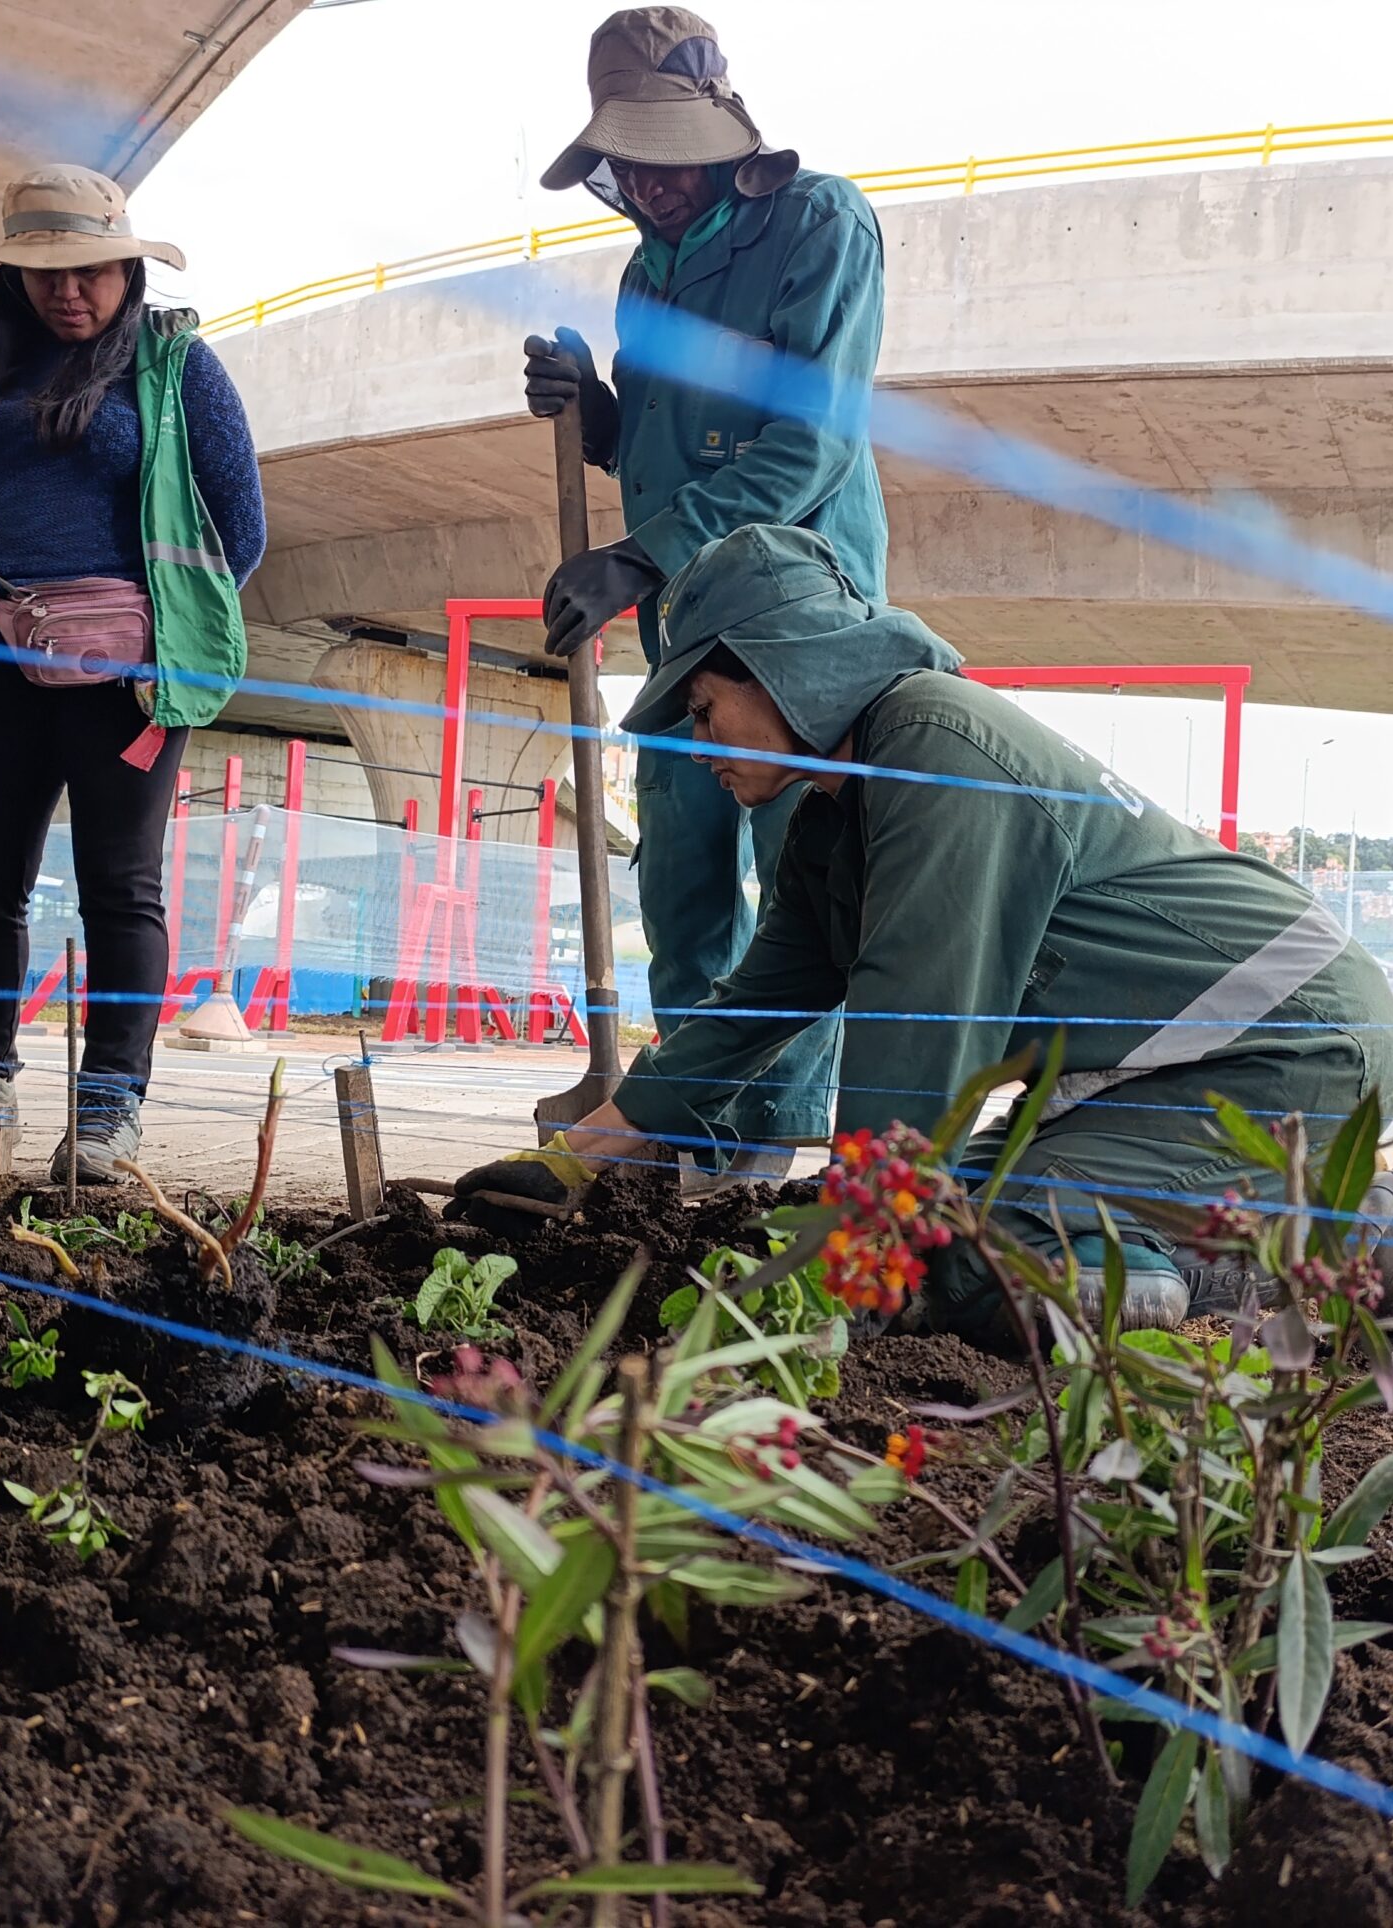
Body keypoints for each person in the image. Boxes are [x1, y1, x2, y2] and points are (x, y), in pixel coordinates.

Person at [454, 525, 1393, 1349]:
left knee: (978, 1253)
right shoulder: (834, 823)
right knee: (896, 1234)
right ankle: (1320, 1231)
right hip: (1169, 1071)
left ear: (780, 666)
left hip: (1284, 1045)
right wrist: (574, 1164)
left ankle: (1368, 1230)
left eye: (707, 707)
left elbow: (914, 1022)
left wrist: (857, 1251)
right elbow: (747, 1018)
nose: (699, 741)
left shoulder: (935, 749)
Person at [0, 164, 265, 1184]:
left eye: (87, 270)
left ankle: (111, 1107)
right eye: (42, 272)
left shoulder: (173, 368)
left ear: (125, 266)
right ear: (12, 279)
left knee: (121, 887)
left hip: (125, 678)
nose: (67, 291)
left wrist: (139, 627)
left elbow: (238, 530)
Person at [523, 5, 888, 1189]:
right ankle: (686, 1119)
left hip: (795, 621)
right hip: (683, 614)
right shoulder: (646, 270)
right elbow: (667, 451)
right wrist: (593, 408)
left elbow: (808, 448)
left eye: (665, 152)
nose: (645, 179)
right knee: (679, 876)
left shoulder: (818, 221)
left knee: (796, 880)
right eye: (624, 158)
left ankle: (767, 1141)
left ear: (725, 125)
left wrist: (639, 553)